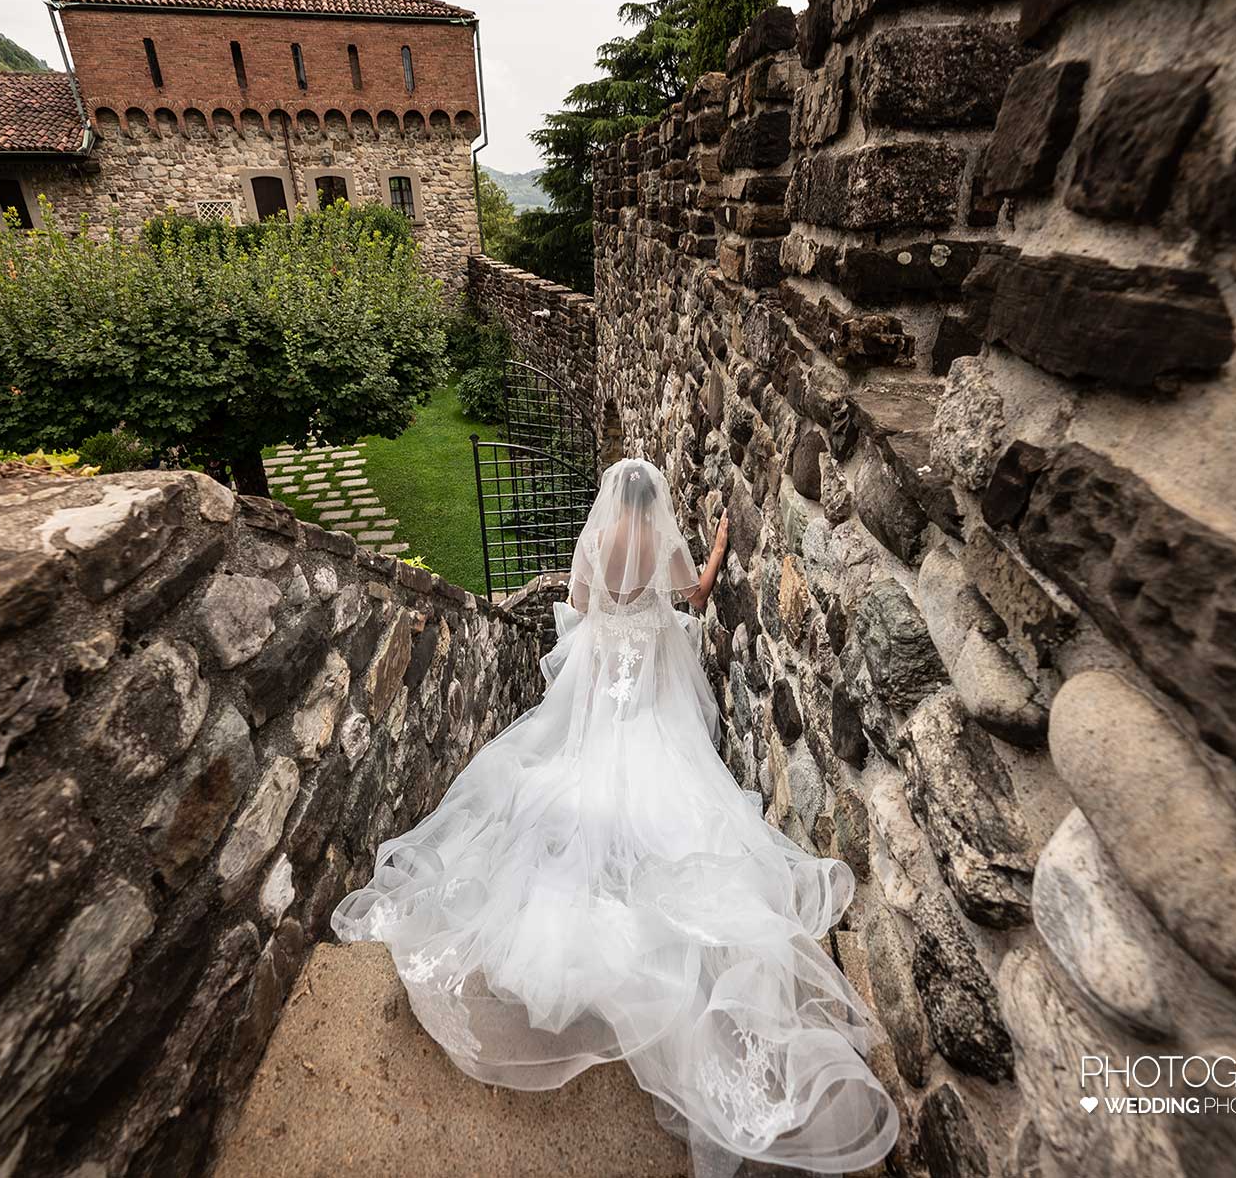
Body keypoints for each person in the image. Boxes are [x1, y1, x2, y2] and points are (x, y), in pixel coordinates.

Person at [333, 457, 897, 1176]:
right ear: (653, 499)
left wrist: (608, 633)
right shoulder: (661, 542)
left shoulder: (597, 543)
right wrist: (720, 544)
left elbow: (577, 605)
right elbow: (691, 594)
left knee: (571, 776)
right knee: (673, 783)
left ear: (610, 498)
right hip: (651, 683)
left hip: (602, 679)